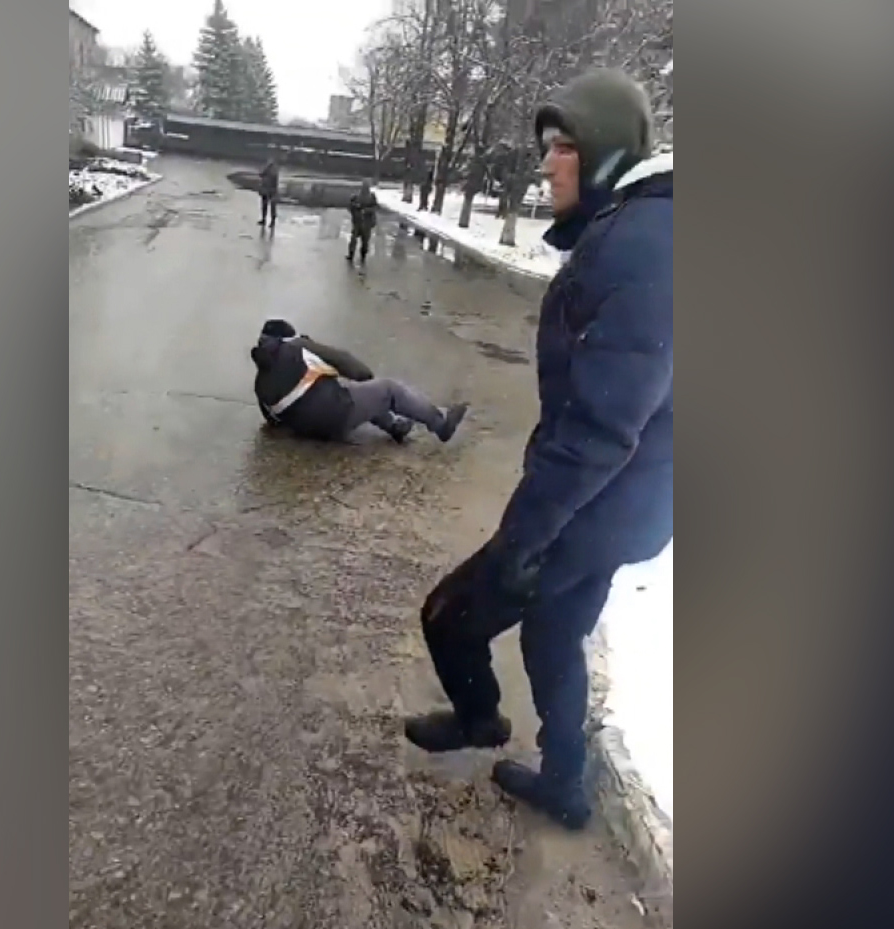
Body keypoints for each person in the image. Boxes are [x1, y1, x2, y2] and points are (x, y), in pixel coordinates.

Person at [402, 69, 673, 830]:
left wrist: (523, 538)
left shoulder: (639, 247)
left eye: (563, 146)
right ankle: (565, 782)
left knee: (449, 614)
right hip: (634, 503)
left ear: (608, 155)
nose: (547, 162)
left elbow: (599, 429)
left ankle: (481, 718)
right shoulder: (649, 232)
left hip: (598, 504)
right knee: (556, 629)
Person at [250, 319, 468, 444]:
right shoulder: (298, 348)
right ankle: (441, 425)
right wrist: (369, 385)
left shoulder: (260, 383)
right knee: (386, 390)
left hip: (307, 430)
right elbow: (355, 368)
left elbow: (274, 422)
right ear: (288, 339)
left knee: (353, 395)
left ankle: (395, 427)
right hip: (335, 418)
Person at [347, 181, 379, 263]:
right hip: (358, 222)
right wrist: (355, 207)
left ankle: (362, 256)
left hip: (366, 223)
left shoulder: (371, 197)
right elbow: (350, 207)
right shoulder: (356, 196)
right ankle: (351, 255)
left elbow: (375, 208)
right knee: (354, 239)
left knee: (364, 241)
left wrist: (366, 210)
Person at [258, 159, 279, 229]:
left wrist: (274, 191)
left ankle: (272, 222)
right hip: (265, 189)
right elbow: (261, 175)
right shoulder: (267, 169)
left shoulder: (273, 171)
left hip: (270, 190)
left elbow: (274, 181)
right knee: (265, 205)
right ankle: (264, 220)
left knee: (271, 207)